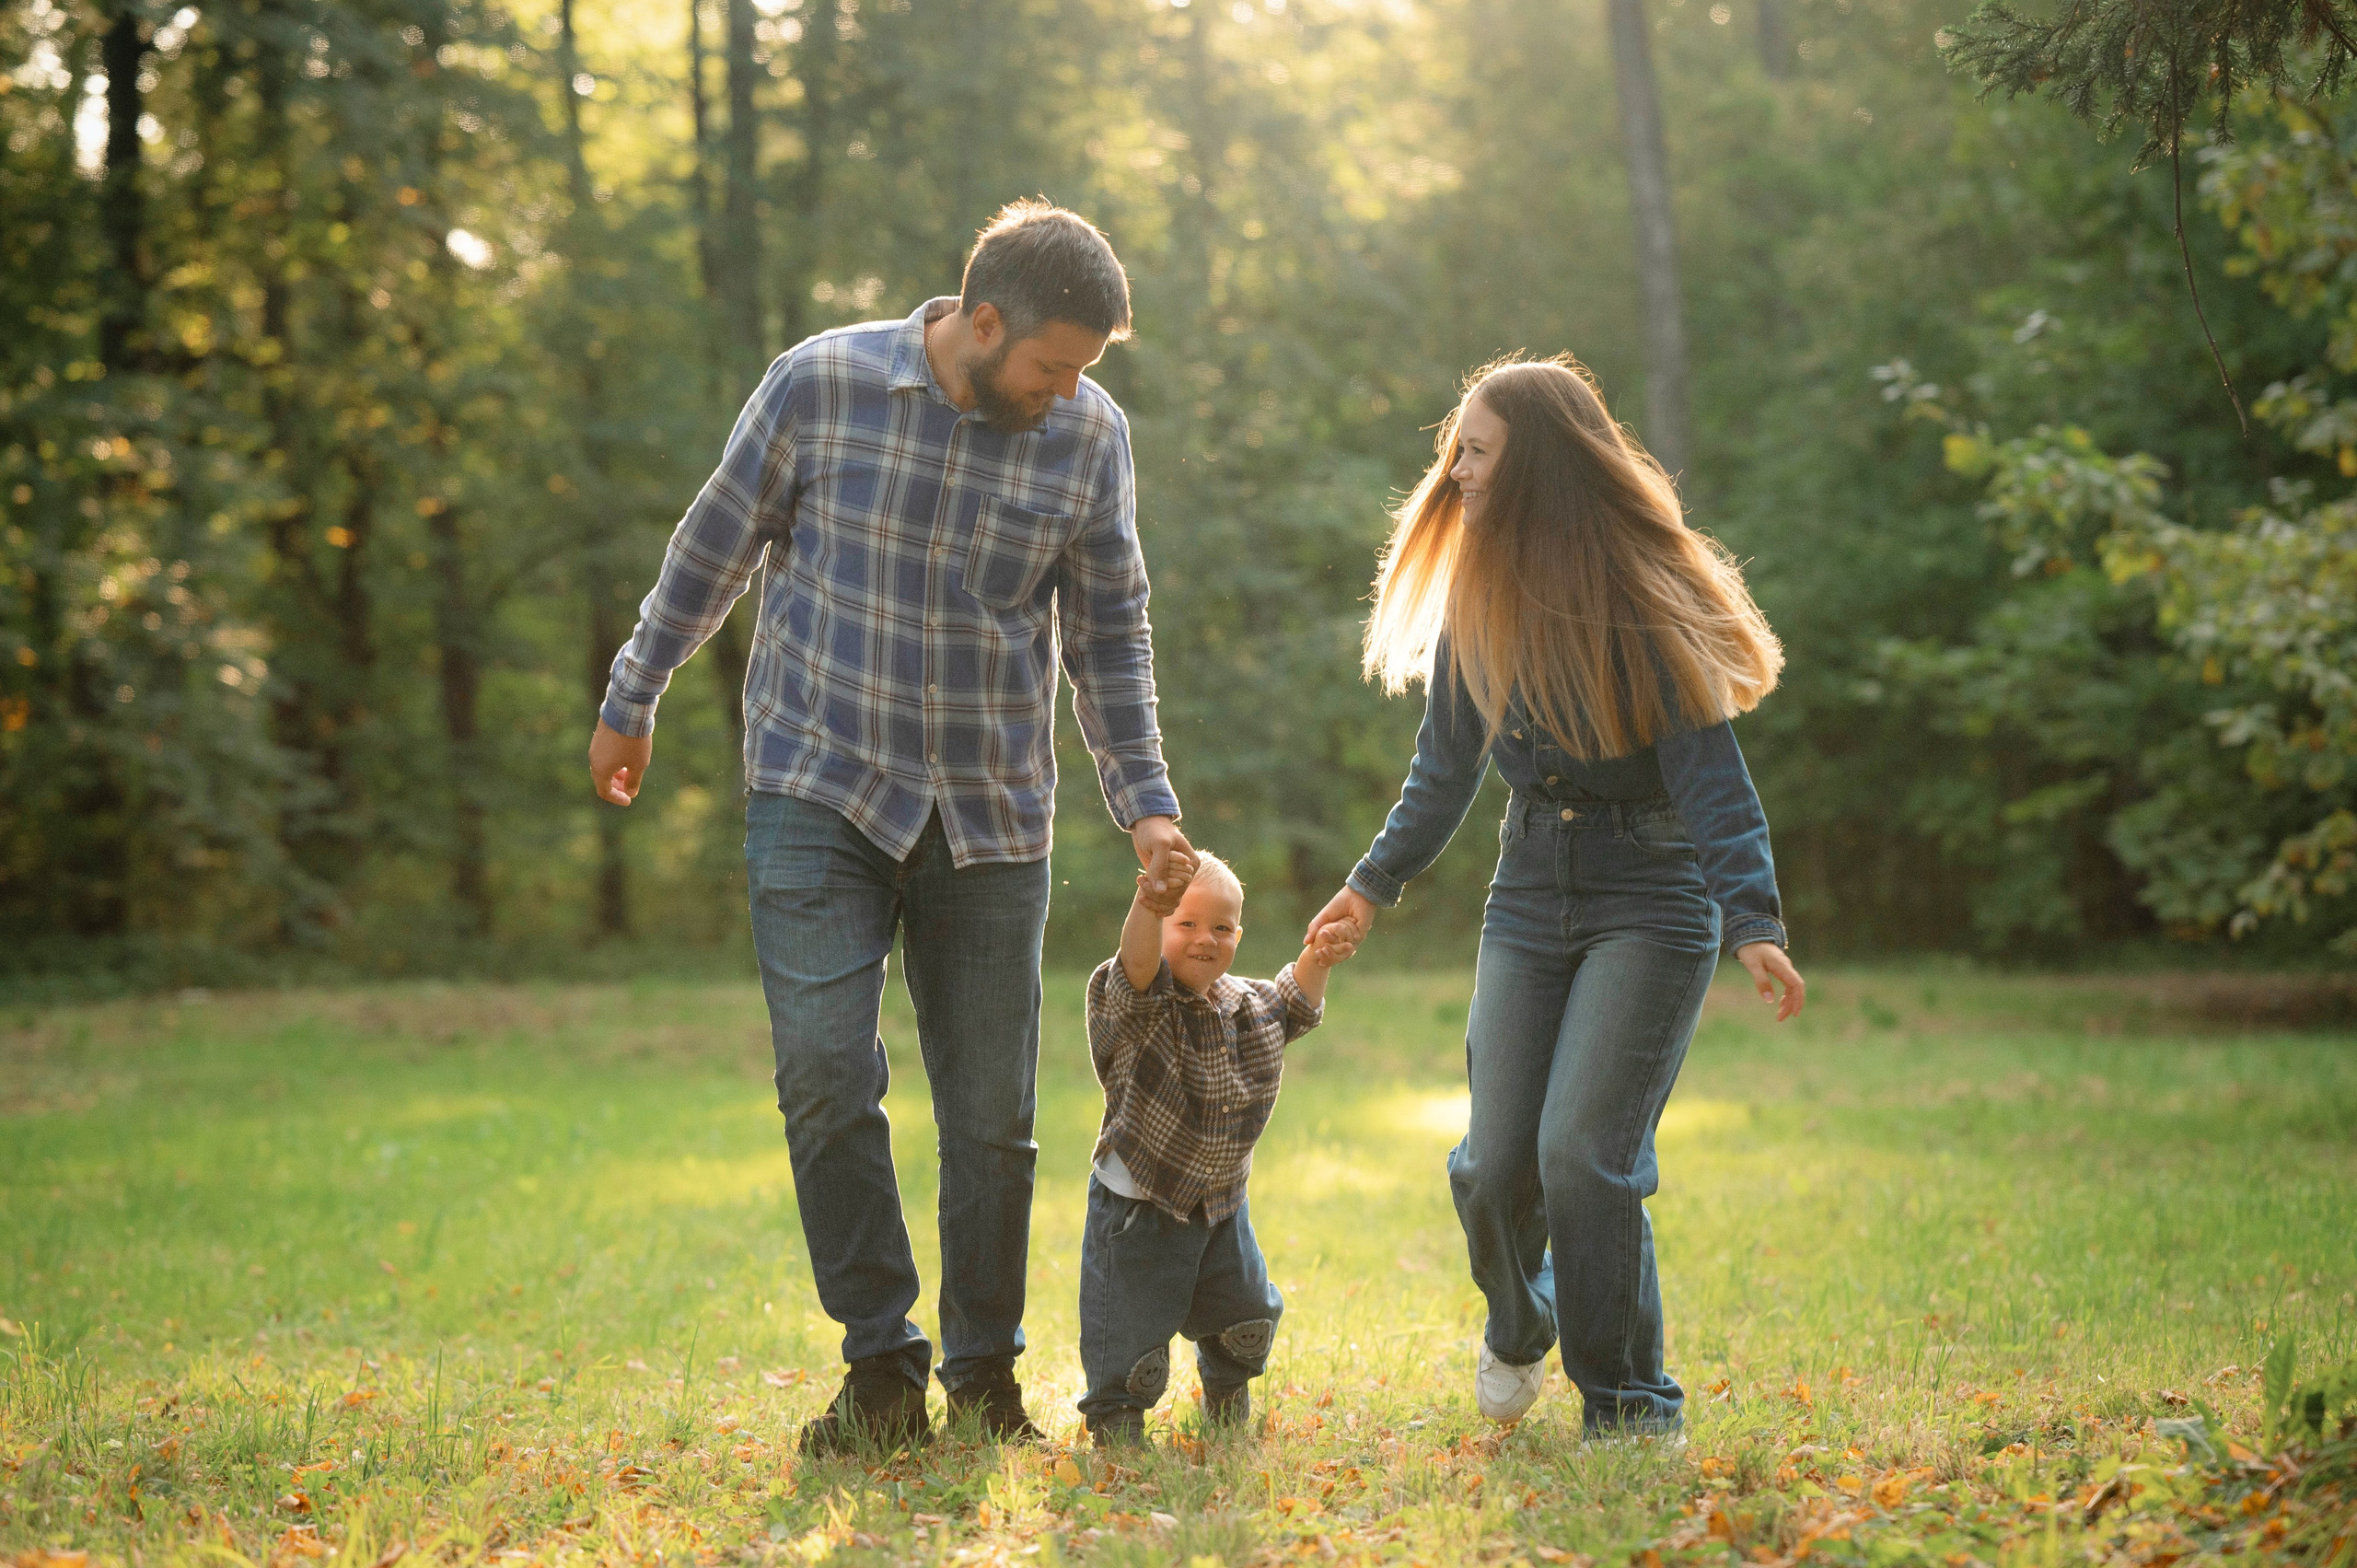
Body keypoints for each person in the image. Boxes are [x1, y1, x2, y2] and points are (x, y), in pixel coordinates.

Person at [586, 201, 1191, 1453]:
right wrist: (633, 692)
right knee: (823, 1070)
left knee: (990, 1113)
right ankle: (878, 1365)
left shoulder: (1088, 437)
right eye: (1051, 363)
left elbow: (1110, 633)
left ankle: (983, 1376)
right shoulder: (820, 384)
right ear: (982, 320)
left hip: (990, 810)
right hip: (822, 782)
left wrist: (1145, 801)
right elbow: (715, 544)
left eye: (1085, 370)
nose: (1067, 389)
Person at [1305, 355, 1805, 1441]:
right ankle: (1521, 1318)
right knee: (1492, 1164)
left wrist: (1754, 920)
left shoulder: (1640, 594)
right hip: (1529, 890)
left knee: (1583, 1154)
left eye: (1476, 450)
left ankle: (1629, 1406)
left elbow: (1712, 779)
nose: (1457, 472)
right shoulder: (1476, 593)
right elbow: (1442, 768)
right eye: (1457, 449)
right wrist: (1368, 886)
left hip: (1652, 895)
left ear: (1533, 462)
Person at [1078, 850, 1362, 1446]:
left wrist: (1320, 954)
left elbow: (1295, 1002)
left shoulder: (1247, 1004)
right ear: (1158, 925)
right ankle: (1117, 1420)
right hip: (1140, 1203)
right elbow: (1133, 965)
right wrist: (1149, 903)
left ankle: (1227, 1390)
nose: (1205, 938)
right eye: (1185, 922)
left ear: (1239, 934)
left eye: (1223, 927)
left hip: (1222, 1203)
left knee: (1242, 1312)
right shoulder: (1140, 1001)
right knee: (1128, 1328)